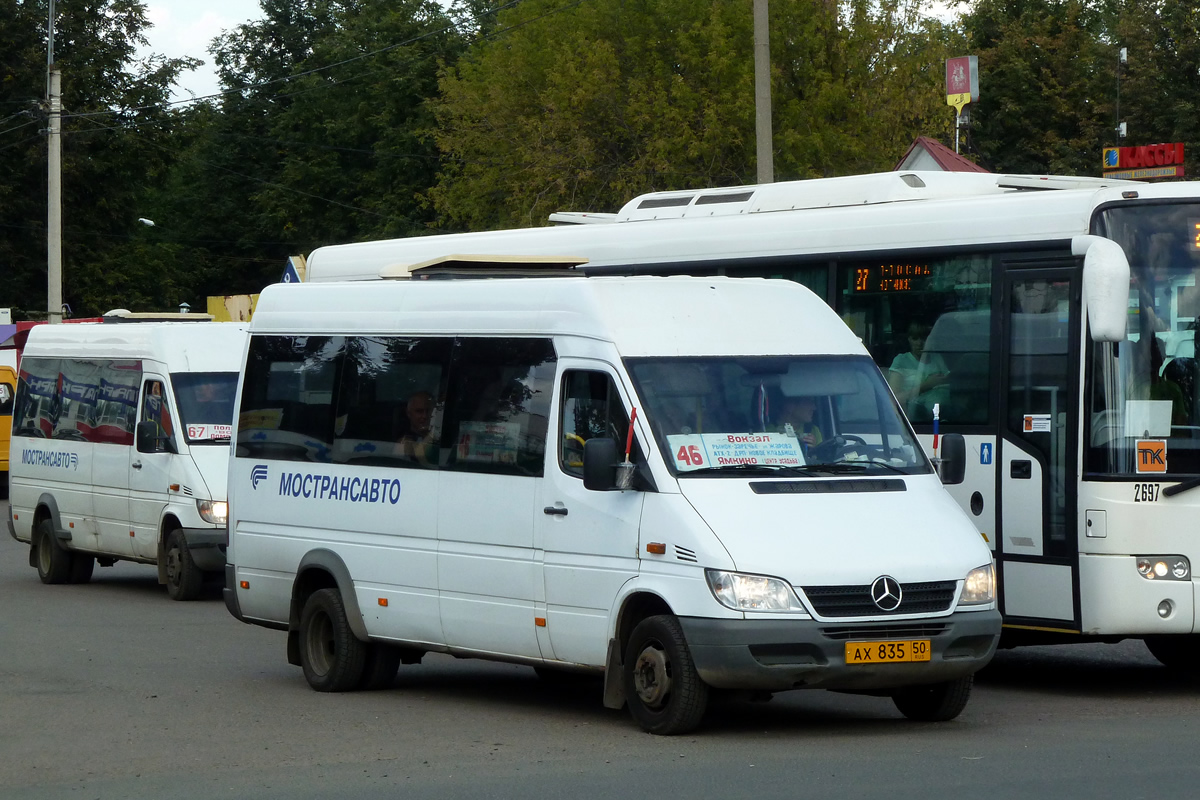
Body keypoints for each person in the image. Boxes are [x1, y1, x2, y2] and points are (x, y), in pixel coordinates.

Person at [888, 322, 949, 420]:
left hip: (945, 414)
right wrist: (926, 386)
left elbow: (949, 381)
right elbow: (894, 399)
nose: (919, 343)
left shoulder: (937, 358)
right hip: (916, 418)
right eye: (915, 338)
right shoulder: (901, 360)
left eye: (924, 339)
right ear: (909, 340)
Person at [398, 390, 437, 462]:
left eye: (428, 411)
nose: (424, 416)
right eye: (419, 411)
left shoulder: (440, 438)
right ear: (409, 413)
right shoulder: (403, 443)